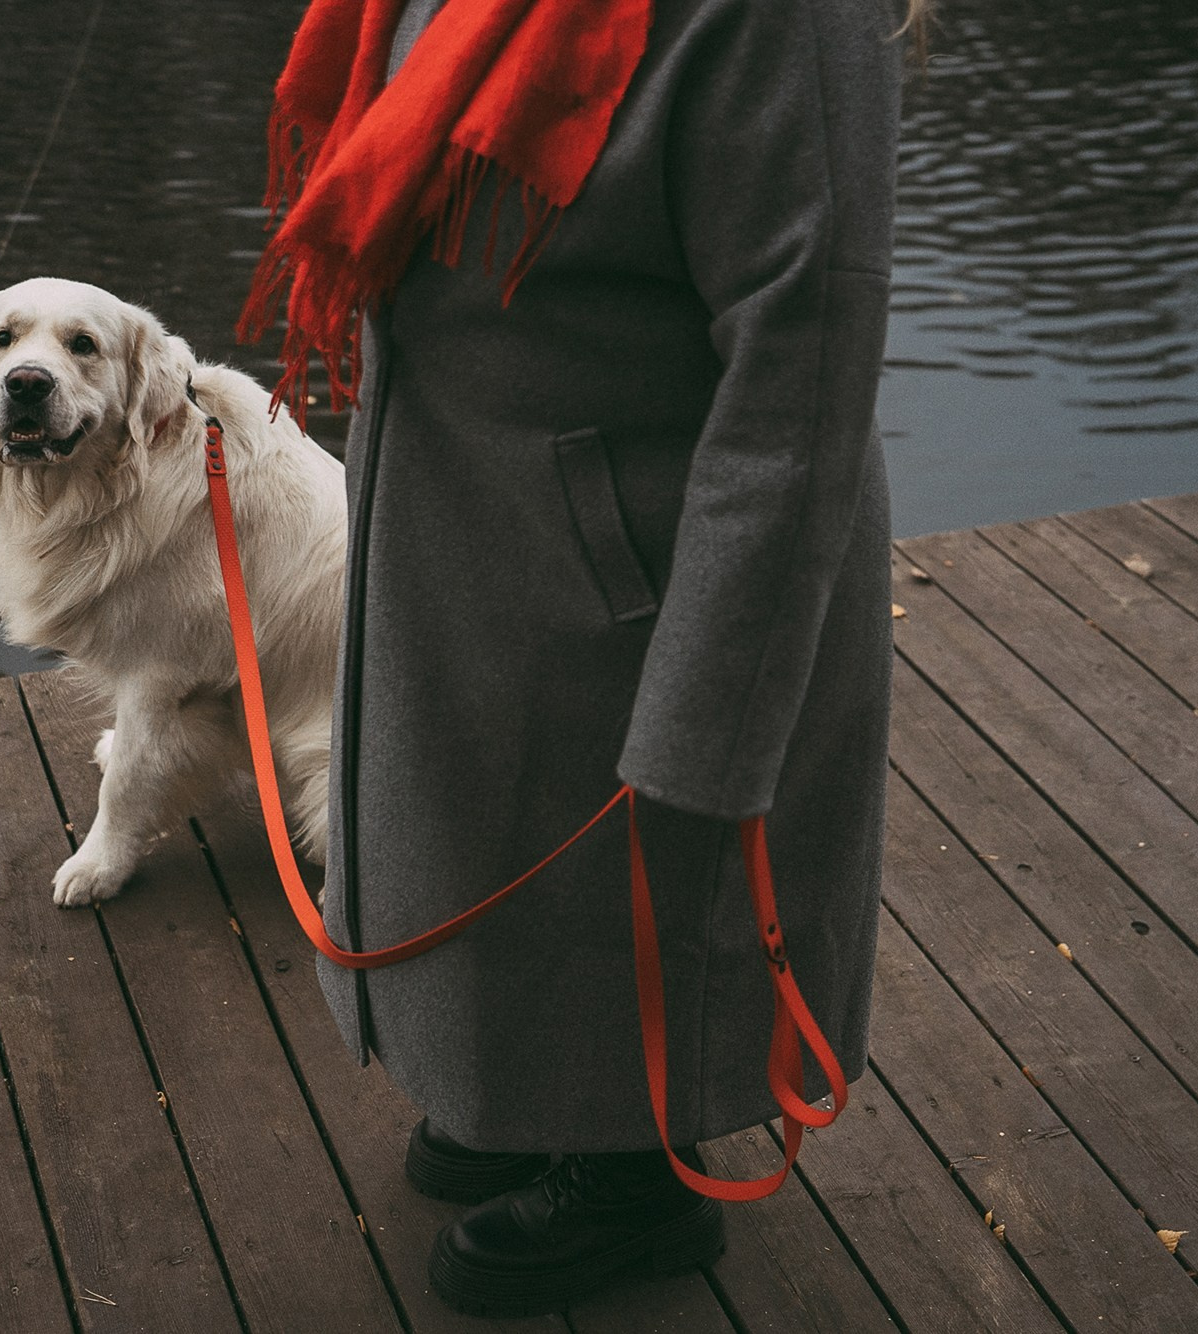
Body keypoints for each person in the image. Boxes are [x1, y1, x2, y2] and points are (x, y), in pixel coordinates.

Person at [240, 0, 920, 1316]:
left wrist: (709, 718)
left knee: (637, 863)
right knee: (481, 823)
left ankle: (631, 1175)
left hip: (657, 561)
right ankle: (524, 1095)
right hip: (475, 516)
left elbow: (807, 367)